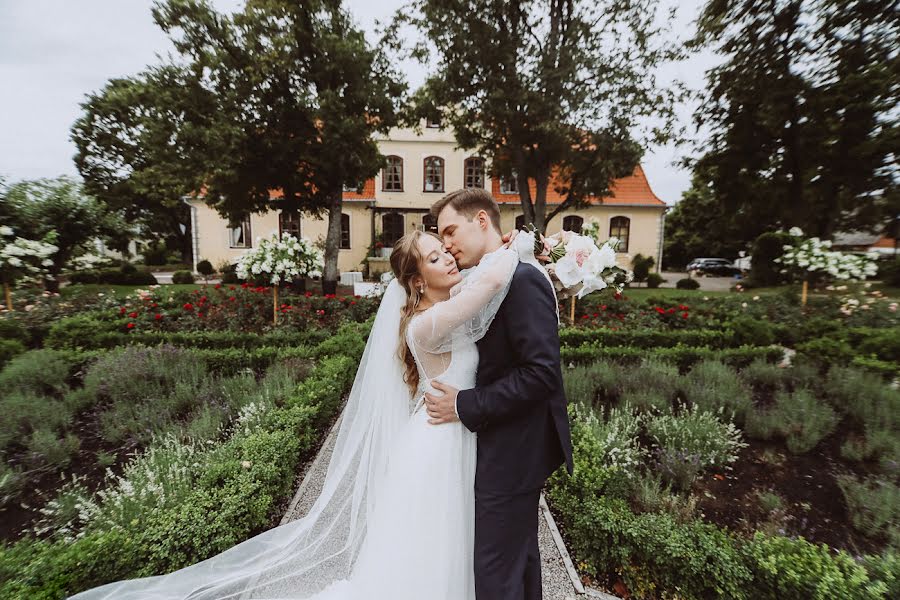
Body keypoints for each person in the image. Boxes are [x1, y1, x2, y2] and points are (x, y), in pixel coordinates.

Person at [67, 207, 544, 600]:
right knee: (436, 543)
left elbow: (481, 299)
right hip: (438, 442)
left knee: (455, 542)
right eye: (436, 257)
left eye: (446, 250)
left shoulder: (444, 301)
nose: (448, 260)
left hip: (455, 433)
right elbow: (484, 289)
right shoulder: (427, 322)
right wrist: (518, 250)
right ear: (416, 281)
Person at [424, 188, 574, 600]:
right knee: (517, 559)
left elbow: (541, 373)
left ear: (483, 221)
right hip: (505, 440)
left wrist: (463, 404)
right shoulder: (494, 273)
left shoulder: (522, 278)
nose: (447, 244)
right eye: (441, 238)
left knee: (494, 569)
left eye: (451, 231)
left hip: (514, 446)